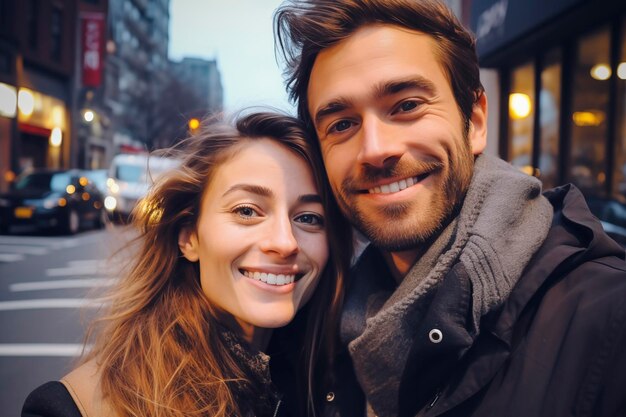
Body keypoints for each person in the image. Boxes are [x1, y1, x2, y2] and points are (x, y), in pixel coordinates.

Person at [274, 1, 626, 416]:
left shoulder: (608, 321)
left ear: (474, 121)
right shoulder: (316, 326)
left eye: (406, 105)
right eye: (342, 124)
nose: (375, 150)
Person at [21, 111, 352, 417]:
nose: (284, 242)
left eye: (309, 217)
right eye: (247, 211)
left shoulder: (341, 382)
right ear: (189, 237)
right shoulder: (73, 408)